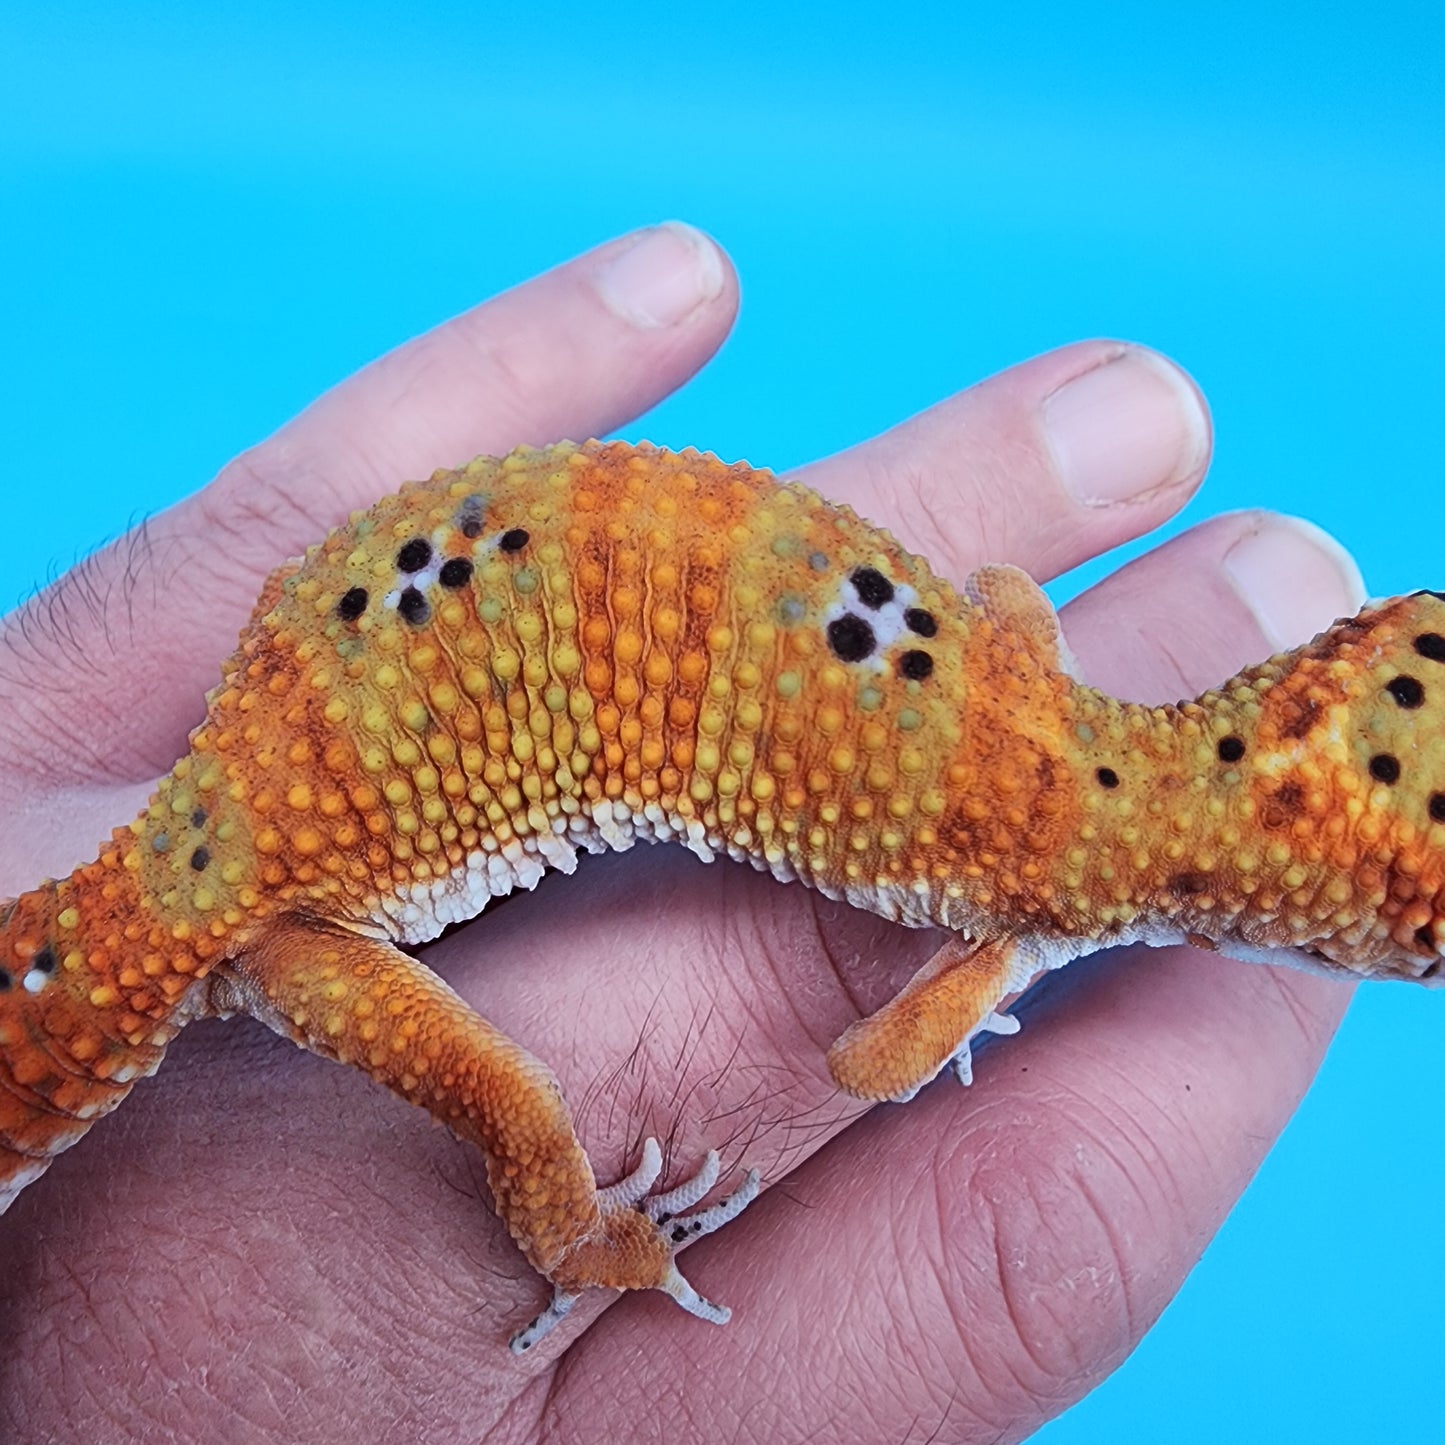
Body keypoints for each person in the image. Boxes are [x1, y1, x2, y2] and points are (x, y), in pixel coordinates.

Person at [0, 223, 1362, 1442]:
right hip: (283, 891)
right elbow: (872, 1063)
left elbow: (1003, 593)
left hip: (340, 646)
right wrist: (993, 971)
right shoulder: (1019, 906)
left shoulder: (1026, 682)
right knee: (523, 1108)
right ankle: (580, 1241)